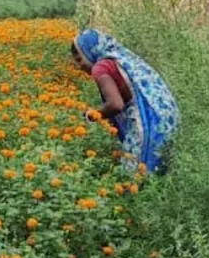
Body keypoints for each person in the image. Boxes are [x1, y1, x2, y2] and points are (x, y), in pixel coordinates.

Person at [71, 28, 179, 174]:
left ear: (90, 51)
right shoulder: (120, 58)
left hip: (148, 120)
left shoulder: (100, 67)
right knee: (160, 172)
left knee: (134, 173)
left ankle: (136, 196)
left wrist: (92, 115)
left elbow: (116, 104)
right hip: (166, 114)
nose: (79, 66)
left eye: (79, 59)